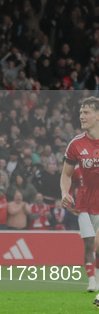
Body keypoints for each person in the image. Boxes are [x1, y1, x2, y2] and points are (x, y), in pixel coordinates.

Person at [61, 97, 99, 293]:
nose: (81, 116)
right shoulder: (75, 144)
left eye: (86, 112)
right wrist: (65, 193)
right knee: (91, 245)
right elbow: (66, 175)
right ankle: (92, 281)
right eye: (81, 112)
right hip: (87, 206)